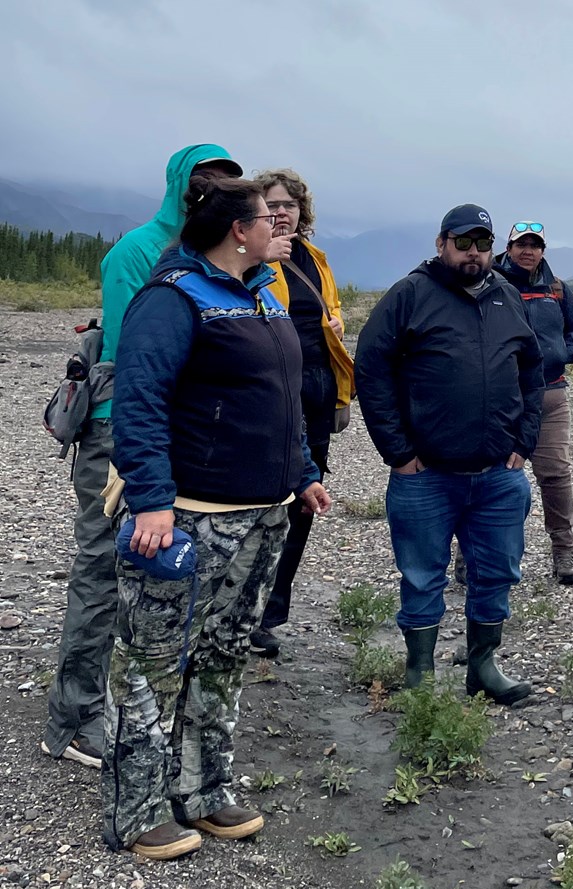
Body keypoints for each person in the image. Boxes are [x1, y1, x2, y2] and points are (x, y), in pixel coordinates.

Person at [104, 177, 331, 859]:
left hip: (264, 513)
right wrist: (149, 499)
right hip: (189, 517)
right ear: (238, 228)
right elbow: (139, 401)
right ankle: (137, 811)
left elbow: (281, 397)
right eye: (269, 217)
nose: (280, 225)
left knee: (224, 653)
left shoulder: (261, 292)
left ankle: (202, 792)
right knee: (150, 662)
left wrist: (306, 475)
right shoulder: (173, 298)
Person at [43, 144, 242, 770]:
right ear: (180, 185)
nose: (214, 190)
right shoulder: (137, 251)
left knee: (156, 575)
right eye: (205, 180)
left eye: (228, 182)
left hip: (175, 434)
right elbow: (139, 361)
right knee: (103, 570)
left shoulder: (208, 256)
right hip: (118, 433)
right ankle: (73, 720)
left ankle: (135, 707)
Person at [354, 204, 542, 704]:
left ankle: (483, 666)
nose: (474, 253)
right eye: (464, 243)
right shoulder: (409, 296)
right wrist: (397, 451)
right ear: (442, 244)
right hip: (425, 476)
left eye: (482, 244)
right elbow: (370, 373)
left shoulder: (507, 296)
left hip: (498, 476)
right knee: (422, 576)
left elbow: (532, 371)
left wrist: (525, 441)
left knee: (497, 571)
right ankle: (421, 674)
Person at [250, 168, 355, 657]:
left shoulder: (315, 259)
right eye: (271, 204)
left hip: (314, 389)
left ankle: (269, 614)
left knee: (302, 502)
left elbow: (325, 319)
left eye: (289, 204)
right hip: (268, 391)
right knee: (256, 498)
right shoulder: (247, 257)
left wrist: (336, 322)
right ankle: (239, 608)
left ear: (301, 211)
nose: (281, 212)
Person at [493, 221, 573, 584]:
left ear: (543, 251)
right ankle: (474, 554)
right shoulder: (490, 284)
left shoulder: (557, 289)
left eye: (535, 245)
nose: (528, 251)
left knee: (555, 475)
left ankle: (563, 551)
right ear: (509, 247)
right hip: (501, 397)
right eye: (522, 244)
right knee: (491, 475)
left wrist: (568, 350)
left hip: (550, 393)